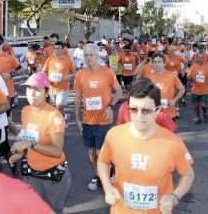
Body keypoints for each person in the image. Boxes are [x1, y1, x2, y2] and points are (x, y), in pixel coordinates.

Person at [98, 77, 194, 214]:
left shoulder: (173, 143)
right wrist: (107, 187)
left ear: (158, 110)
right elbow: (103, 162)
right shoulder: (113, 136)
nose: (139, 116)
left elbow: (188, 175)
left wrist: (174, 197)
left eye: (146, 110)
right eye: (133, 109)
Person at [9, 73, 71, 213]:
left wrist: (31, 144)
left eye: (37, 90)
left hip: (53, 178)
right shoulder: (26, 111)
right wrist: (21, 153)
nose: (32, 93)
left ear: (47, 92)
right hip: (31, 174)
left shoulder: (54, 116)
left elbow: (57, 151)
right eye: (29, 88)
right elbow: (27, 139)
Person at [74, 43, 122, 191]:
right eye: (86, 55)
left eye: (92, 55)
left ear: (97, 56)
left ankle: (104, 176)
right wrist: (77, 119)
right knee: (91, 153)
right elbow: (77, 98)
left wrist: (111, 106)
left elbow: (119, 92)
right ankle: (98, 175)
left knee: (99, 151)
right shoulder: (80, 74)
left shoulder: (107, 72)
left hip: (103, 119)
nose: (89, 58)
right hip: (88, 119)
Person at [0, 34, 20, 134]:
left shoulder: (8, 57)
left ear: (0, 44)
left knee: (7, 119)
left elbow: (20, 70)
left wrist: (12, 74)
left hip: (6, 93)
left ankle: (20, 137)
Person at [146, 53, 185, 120]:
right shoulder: (148, 78)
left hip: (169, 113)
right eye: (155, 62)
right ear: (152, 64)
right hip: (154, 114)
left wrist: (174, 100)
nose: (157, 64)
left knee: (169, 131)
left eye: (159, 62)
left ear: (164, 63)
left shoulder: (172, 76)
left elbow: (182, 89)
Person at [42, 41, 75, 116]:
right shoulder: (49, 59)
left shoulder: (68, 60)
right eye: (55, 48)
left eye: (59, 48)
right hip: (51, 88)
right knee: (58, 110)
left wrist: (70, 76)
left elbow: (74, 72)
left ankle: (58, 124)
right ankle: (64, 118)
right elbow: (44, 71)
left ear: (63, 49)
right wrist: (45, 81)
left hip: (63, 89)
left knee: (58, 109)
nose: (56, 50)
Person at [188, 51, 208, 124]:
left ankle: (205, 113)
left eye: (202, 57)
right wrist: (192, 78)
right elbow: (188, 76)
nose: (200, 59)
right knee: (196, 106)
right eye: (199, 57)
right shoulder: (193, 66)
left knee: (203, 104)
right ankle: (198, 118)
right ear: (196, 59)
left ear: (204, 59)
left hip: (204, 89)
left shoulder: (207, 66)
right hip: (195, 89)